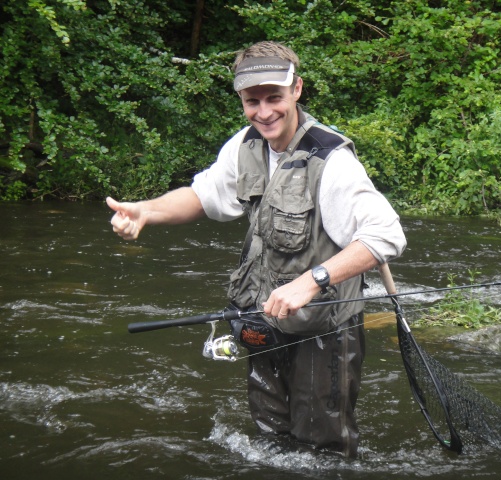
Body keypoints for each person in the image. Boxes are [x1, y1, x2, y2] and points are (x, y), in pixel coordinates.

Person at [107, 41, 406, 457]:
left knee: (322, 453)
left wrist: (312, 281)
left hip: (325, 330)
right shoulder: (244, 146)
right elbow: (203, 196)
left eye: (274, 98)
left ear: (296, 90)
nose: (264, 112)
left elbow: (386, 235)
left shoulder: (331, 160)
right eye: (252, 101)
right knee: (272, 445)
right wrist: (145, 211)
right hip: (264, 321)